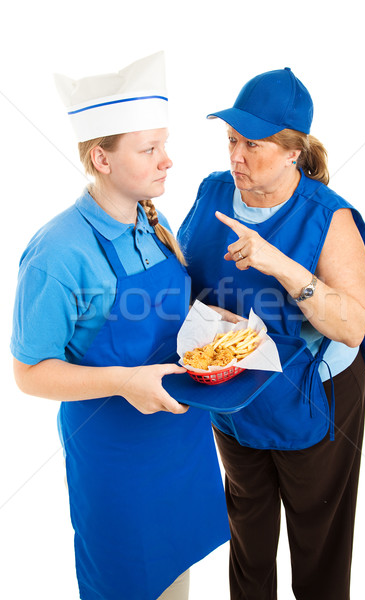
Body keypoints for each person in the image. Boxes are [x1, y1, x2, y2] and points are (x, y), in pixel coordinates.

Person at [11, 52, 230, 600]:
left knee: (176, 577)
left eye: (165, 145)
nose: (168, 162)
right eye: (149, 149)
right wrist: (123, 382)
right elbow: (29, 373)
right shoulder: (59, 251)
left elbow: (166, 324)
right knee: (127, 580)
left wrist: (211, 325)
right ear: (101, 159)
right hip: (118, 458)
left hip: (180, 440)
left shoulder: (153, 224)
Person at [177, 67, 365, 600]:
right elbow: (189, 274)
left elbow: (353, 324)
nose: (236, 156)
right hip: (234, 400)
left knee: (318, 545)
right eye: (232, 140)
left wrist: (281, 266)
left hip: (311, 401)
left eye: (253, 145)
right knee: (248, 538)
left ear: (293, 151)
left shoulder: (329, 219)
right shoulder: (214, 191)